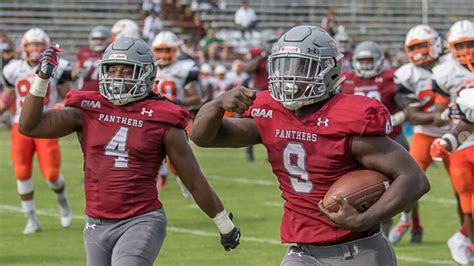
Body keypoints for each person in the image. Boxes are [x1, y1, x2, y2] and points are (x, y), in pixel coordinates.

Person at [190, 25, 430, 265]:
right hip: (302, 252)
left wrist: (364, 219)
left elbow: (414, 179)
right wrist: (217, 105)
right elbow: (203, 137)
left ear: (328, 70)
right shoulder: (272, 114)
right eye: (284, 65)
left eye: (301, 66)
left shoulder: (348, 118)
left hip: (359, 250)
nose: (289, 76)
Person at [18, 37, 240, 265]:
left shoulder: (162, 119)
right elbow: (29, 126)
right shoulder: (88, 110)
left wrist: (226, 226)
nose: (116, 77)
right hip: (96, 222)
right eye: (111, 70)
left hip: (141, 219)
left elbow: (194, 181)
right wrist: (42, 78)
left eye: (126, 71)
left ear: (146, 75)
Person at [0, 28, 73, 234]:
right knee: (22, 172)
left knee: (51, 174)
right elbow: (8, 96)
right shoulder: (13, 69)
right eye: (31, 46)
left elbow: (67, 96)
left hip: (46, 122)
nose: (35, 50)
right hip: (19, 125)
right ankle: (31, 219)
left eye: (39, 46)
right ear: (24, 48)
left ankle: (62, 201)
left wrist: (63, 106)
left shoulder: (58, 68)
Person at [389, 24, 455, 245]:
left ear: (435, 44)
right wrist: (446, 115)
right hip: (425, 134)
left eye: (422, 46)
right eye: (414, 47)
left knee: (463, 188)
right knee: (408, 182)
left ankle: (466, 235)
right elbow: (414, 115)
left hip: (456, 135)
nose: (418, 52)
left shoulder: (453, 65)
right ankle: (407, 220)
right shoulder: (406, 74)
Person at [341, 41, 409, 236]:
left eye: (370, 60)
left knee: (405, 182)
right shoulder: (346, 81)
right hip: (360, 144)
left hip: (391, 140)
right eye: (363, 61)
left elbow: (409, 108)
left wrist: (393, 119)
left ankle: (404, 220)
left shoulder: (391, 79)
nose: (367, 65)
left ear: (379, 61)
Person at [430, 20, 474, 265]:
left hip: (462, 133)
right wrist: (448, 121)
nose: (467, 50)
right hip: (463, 138)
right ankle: (466, 240)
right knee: (466, 196)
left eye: (471, 44)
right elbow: (440, 116)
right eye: (461, 45)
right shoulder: (445, 72)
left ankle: (462, 238)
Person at [151, 31, 202, 198]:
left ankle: (180, 176)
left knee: (177, 158)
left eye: (167, 50)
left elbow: (196, 97)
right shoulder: (147, 67)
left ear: (175, 50)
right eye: (160, 50)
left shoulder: (184, 68)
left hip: (174, 118)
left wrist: (176, 99)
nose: (163, 55)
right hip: (151, 117)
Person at [72, 26, 110, 91]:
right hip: (84, 91)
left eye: (101, 39)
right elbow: (73, 75)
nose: (98, 42)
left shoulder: (109, 54)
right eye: (95, 39)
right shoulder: (84, 52)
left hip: (101, 92)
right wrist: (78, 72)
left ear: (107, 39)